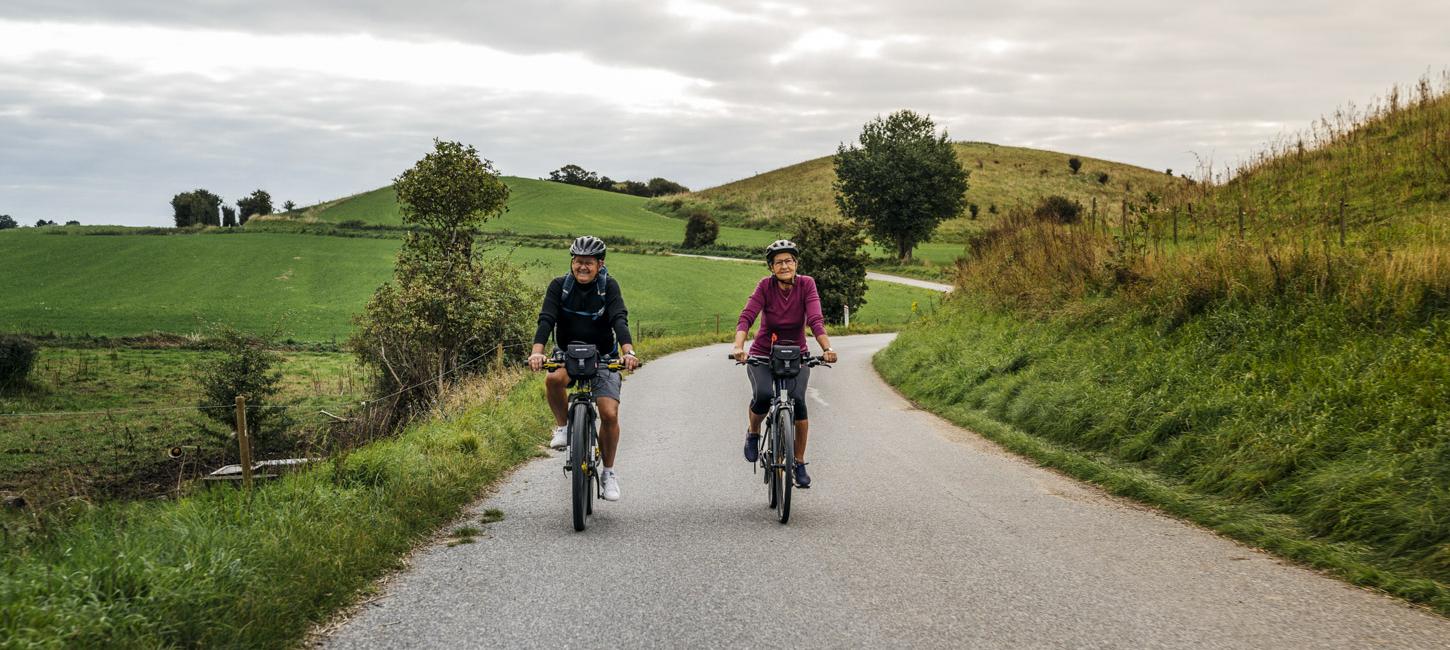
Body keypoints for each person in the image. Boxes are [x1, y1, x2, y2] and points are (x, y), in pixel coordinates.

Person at [529, 235, 639, 501]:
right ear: (572, 262)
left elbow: (619, 319)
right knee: (553, 380)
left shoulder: (608, 287)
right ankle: (564, 428)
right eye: (578, 262)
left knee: (609, 413)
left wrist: (628, 352)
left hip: (603, 356)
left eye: (589, 263)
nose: (583, 267)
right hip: (567, 353)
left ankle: (609, 473)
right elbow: (546, 319)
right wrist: (537, 353)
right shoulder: (559, 287)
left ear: (600, 264)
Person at [731, 239, 838, 488]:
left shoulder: (806, 284)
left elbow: (815, 319)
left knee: (798, 402)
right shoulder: (765, 287)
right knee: (763, 395)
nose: (784, 265)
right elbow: (747, 317)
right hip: (763, 354)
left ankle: (799, 462)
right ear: (771, 267)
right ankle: (754, 433)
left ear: (796, 263)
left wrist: (827, 348)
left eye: (788, 260)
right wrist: (739, 347)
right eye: (778, 262)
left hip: (797, 355)